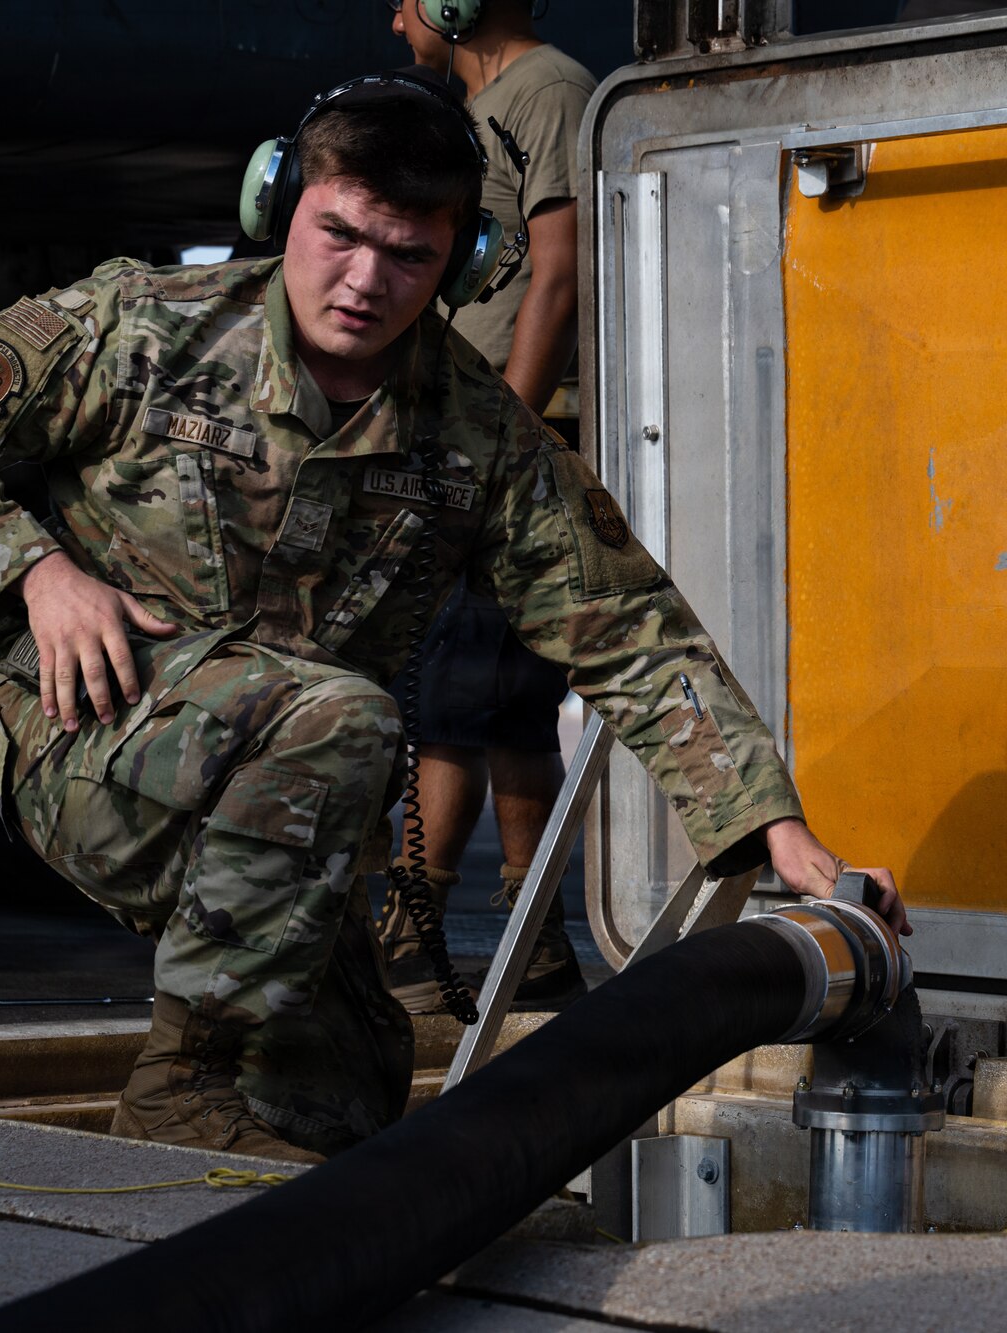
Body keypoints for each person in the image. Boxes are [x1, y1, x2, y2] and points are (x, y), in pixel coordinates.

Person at [0, 72, 904, 1162]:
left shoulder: (474, 432)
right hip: (80, 747)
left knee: (344, 1087)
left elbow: (626, 621)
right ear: (281, 206)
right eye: (339, 234)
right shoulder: (140, 331)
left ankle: (201, 1214)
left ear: (467, 261)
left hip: (283, 812)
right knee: (344, 720)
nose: (363, 281)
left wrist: (762, 819)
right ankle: (179, 1089)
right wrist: (34, 574)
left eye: (407, 256)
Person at [378, 0, 599, 1014]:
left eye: (405, 2)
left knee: (474, 685)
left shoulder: (545, 89)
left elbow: (559, 272)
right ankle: (525, 940)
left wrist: (503, 439)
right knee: (474, 686)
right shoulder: (483, 110)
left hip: (505, 442)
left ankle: (429, 931)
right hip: (464, 439)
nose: (394, 22)